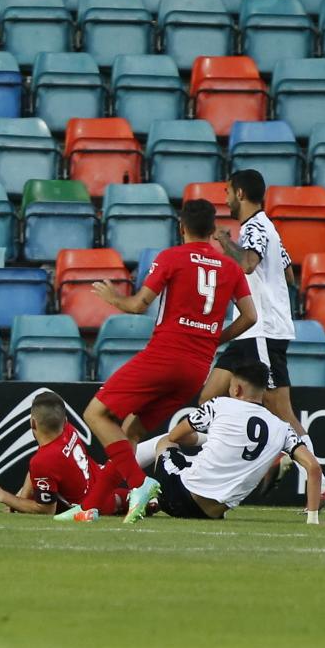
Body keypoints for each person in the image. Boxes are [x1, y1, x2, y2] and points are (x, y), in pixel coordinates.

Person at [66, 199, 258, 523]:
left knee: (96, 413)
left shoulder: (171, 257)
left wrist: (113, 297)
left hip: (165, 356)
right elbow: (250, 316)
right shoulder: (230, 267)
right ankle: (90, 507)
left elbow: (140, 305)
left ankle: (140, 485)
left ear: (181, 226)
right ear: (213, 231)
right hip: (197, 369)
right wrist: (213, 338)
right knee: (131, 431)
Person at [199, 169, 325, 508]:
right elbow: (288, 273)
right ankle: (223, 471)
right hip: (249, 333)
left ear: (242, 193)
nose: (226, 198)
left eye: (229, 192)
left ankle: (323, 483)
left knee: (282, 412)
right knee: (208, 399)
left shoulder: (256, 228)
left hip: (263, 333)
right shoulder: (268, 229)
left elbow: (247, 263)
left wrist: (225, 241)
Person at [145, 361, 325, 523]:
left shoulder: (218, 404)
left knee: (164, 442)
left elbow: (175, 436)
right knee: (192, 463)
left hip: (179, 498)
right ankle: (153, 502)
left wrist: (205, 439)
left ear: (236, 389)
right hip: (210, 514)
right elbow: (313, 468)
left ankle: (139, 492)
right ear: (264, 391)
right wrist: (313, 519)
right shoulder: (283, 428)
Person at [0, 391, 132, 520]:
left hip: (94, 506)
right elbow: (39, 471)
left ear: (33, 423)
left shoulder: (44, 460)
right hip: (101, 483)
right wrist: (21, 499)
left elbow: (46, 510)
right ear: (64, 420)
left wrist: (1, 495)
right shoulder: (69, 430)